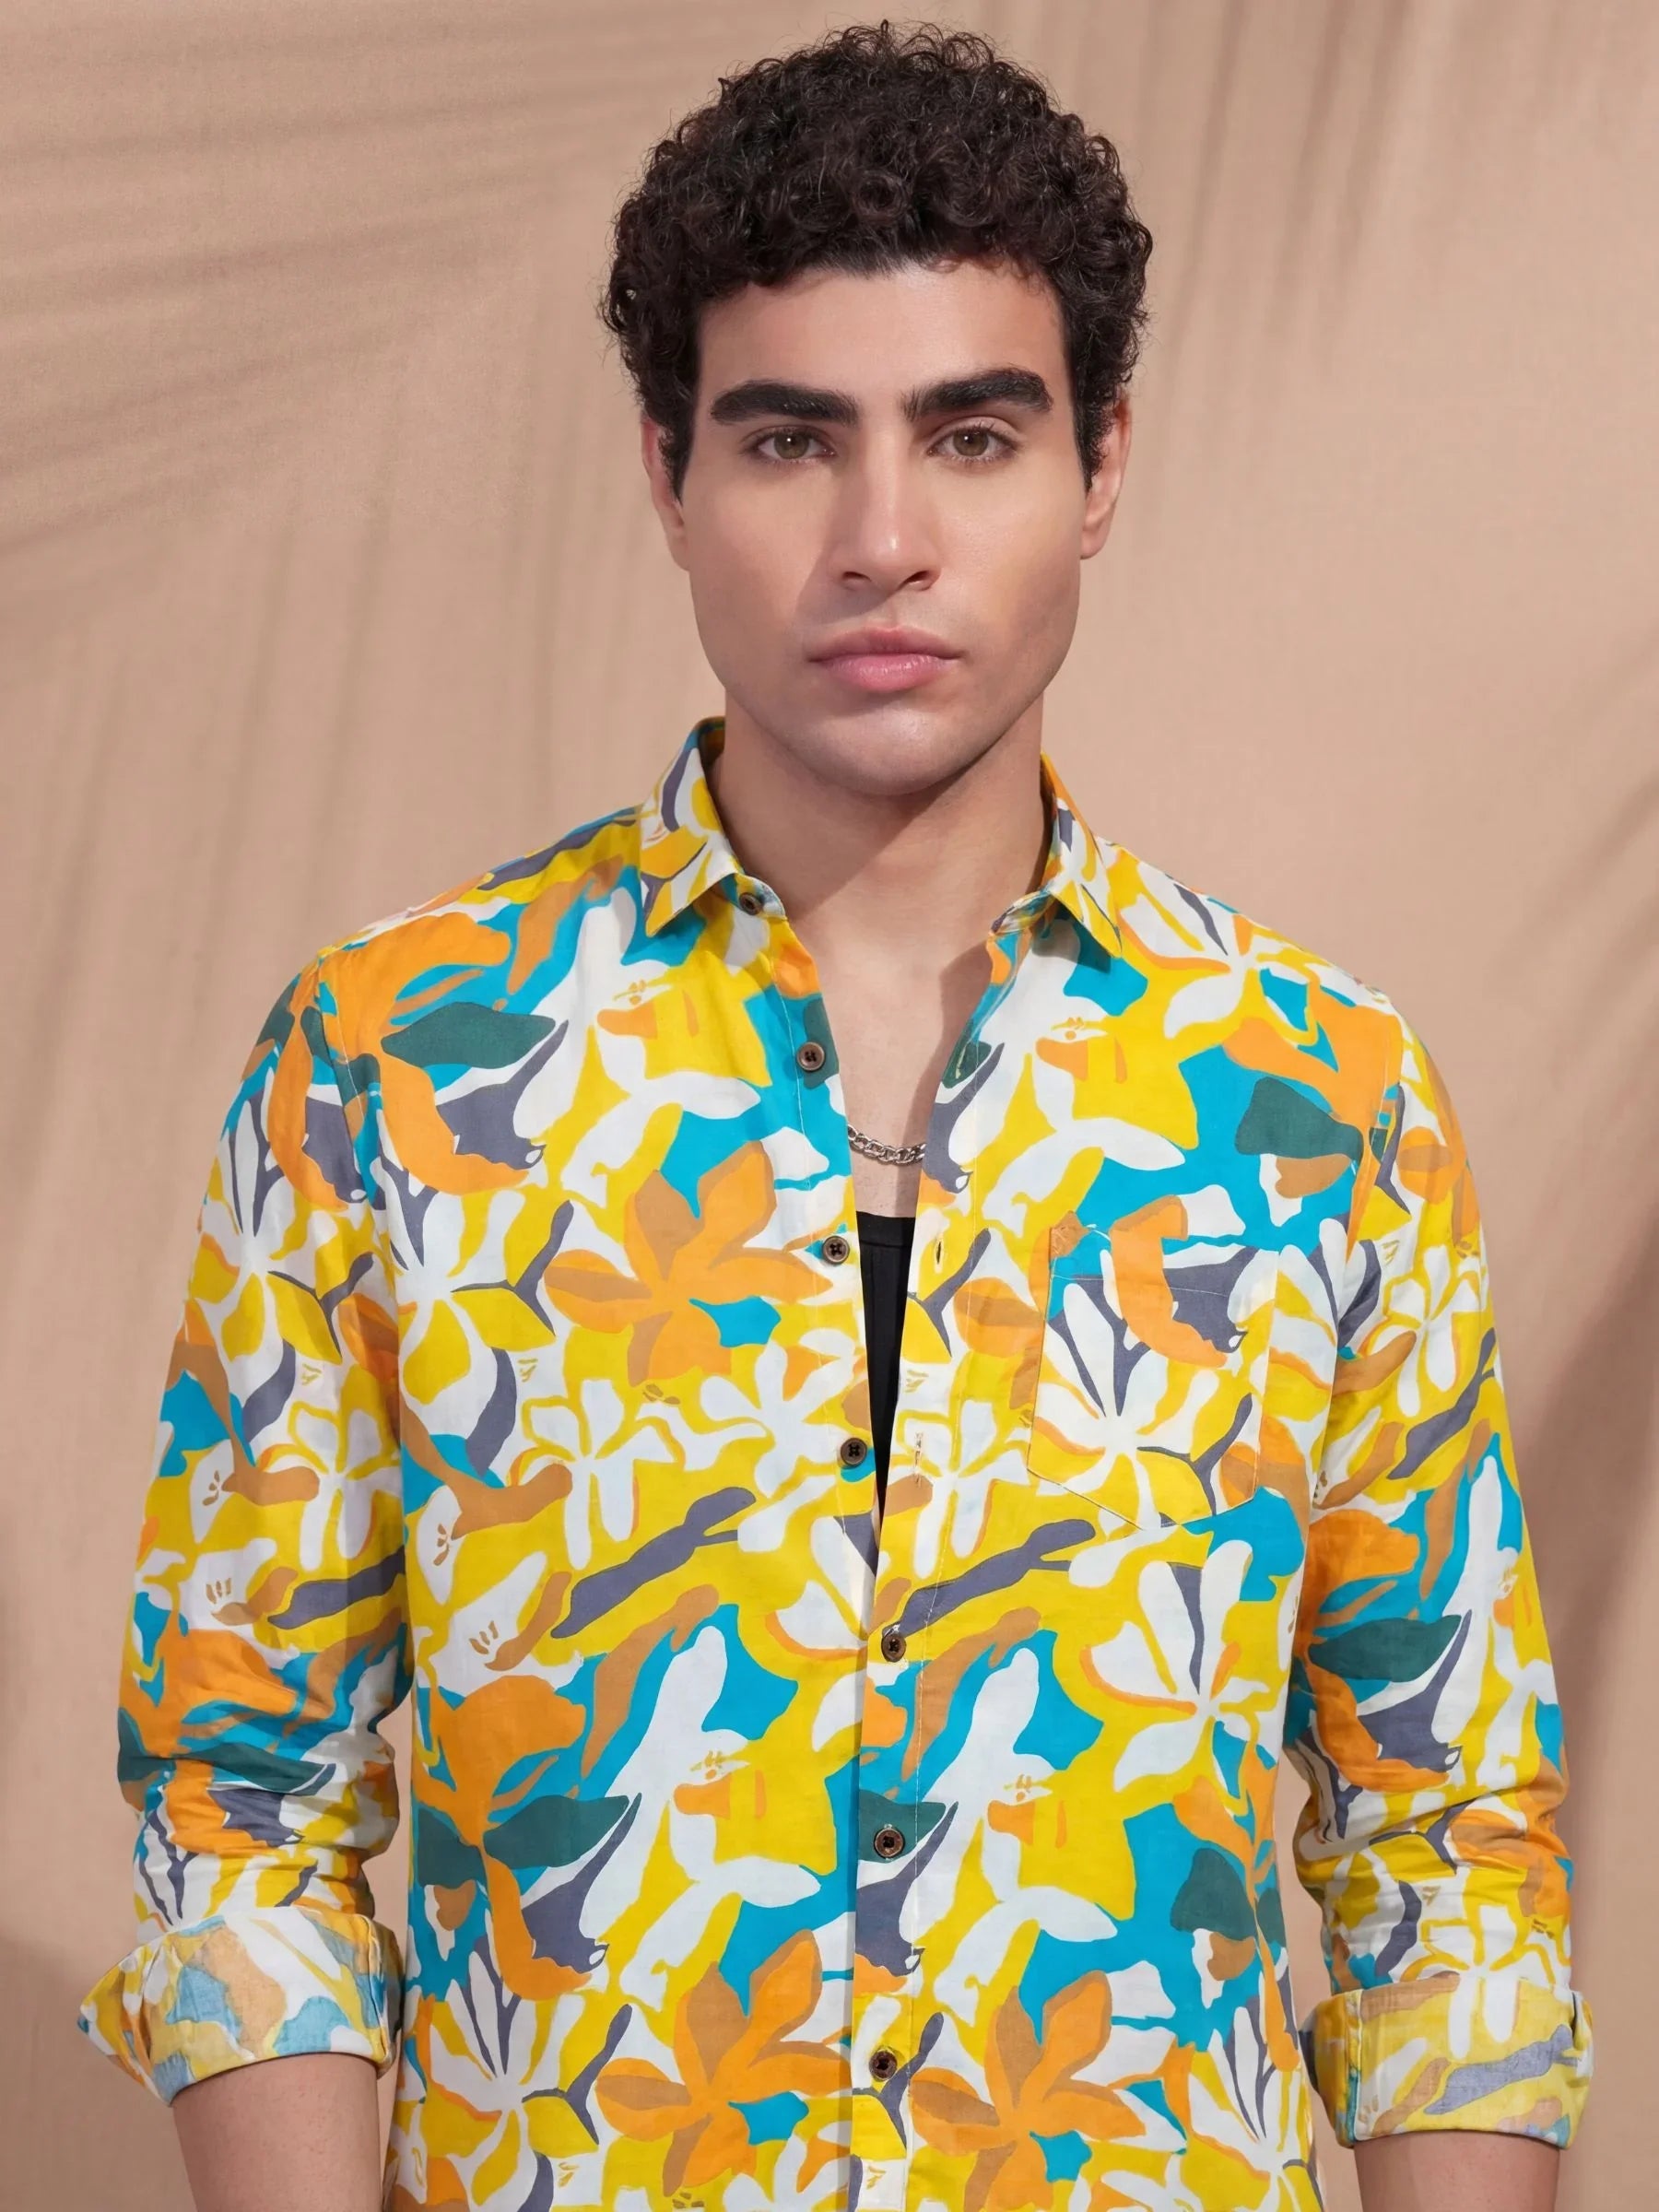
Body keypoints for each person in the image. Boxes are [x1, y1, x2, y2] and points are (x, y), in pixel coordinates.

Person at [78, 20, 1593, 2212]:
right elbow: (242, 1799)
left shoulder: (1320, 1101)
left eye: (973, 435)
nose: (885, 540)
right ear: (666, 474)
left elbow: (1444, 1849)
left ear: (1100, 467)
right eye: (792, 440)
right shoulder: (392, 1069)